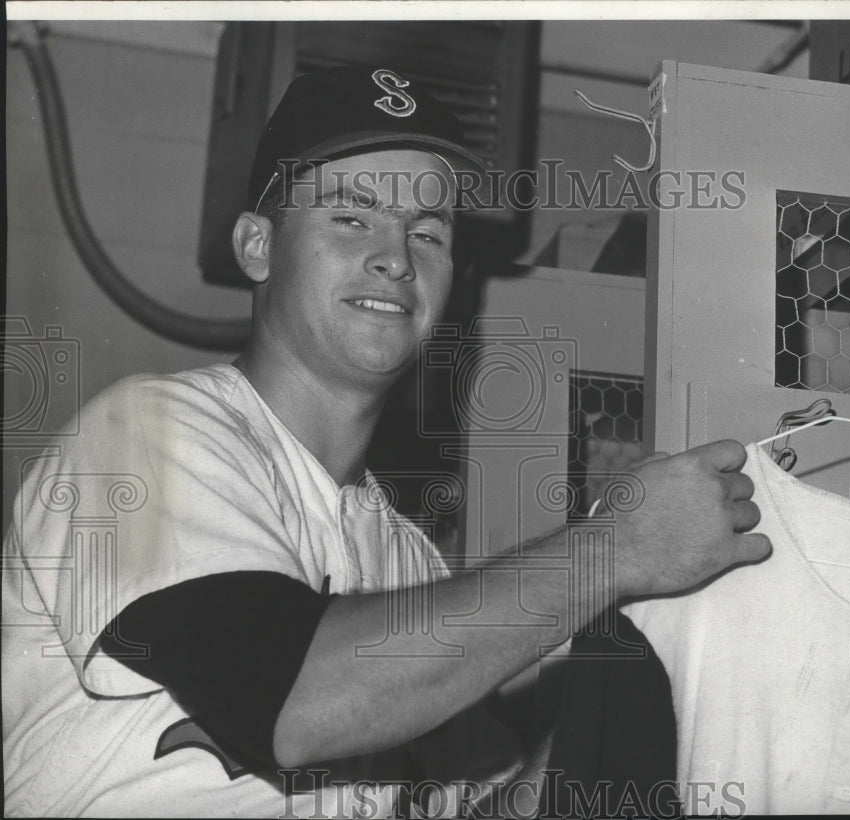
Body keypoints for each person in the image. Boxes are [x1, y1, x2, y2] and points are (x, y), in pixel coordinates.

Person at [2, 65, 771, 818]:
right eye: (350, 215)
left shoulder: (408, 561)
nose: (395, 257)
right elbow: (292, 701)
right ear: (257, 246)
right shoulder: (144, 436)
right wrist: (615, 550)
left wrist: (638, 634)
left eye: (427, 231)